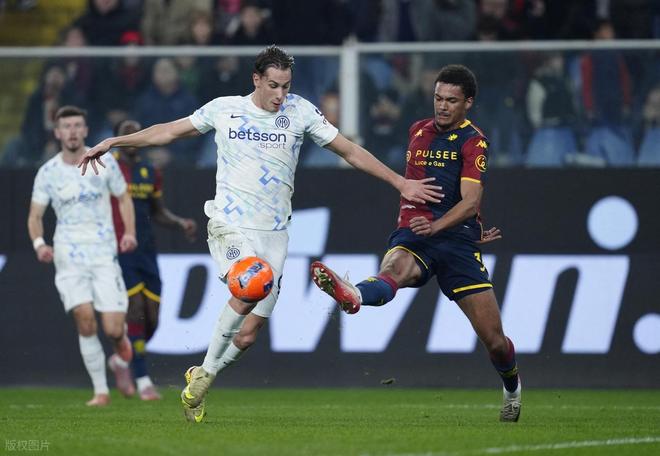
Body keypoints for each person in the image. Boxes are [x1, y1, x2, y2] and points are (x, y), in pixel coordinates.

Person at [78, 45, 443, 423]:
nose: (280, 95)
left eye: (286, 86)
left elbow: (349, 151)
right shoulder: (224, 109)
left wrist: (400, 182)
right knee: (252, 284)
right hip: (229, 225)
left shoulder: (301, 112)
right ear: (256, 79)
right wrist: (114, 142)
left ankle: (200, 379)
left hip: (275, 235)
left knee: (248, 334)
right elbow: (168, 132)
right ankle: (204, 373)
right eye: (273, 86)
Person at [309, 64, 522, 423]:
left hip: (455, 243)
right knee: (395, 268)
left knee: (495, 340)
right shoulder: (417, 130)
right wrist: (425, 224)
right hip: (416, 233)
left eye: (451, 100)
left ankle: (512, 390)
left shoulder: (474, 142)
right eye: (438, 98)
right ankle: (354, 294)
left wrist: (451, 226)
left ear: (468, 103)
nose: (442, 106)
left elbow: (470, 202)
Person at [27, 105, 137, 406]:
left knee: (113, 328)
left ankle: (119, 357)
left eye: (77, 125)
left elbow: (123, 198)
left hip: (104, 253)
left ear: (86, 130)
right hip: (68, 256)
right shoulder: (48, 172)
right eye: (67, 126)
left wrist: (129, 232)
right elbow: (35, 215)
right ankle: (100, 391)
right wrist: (39, 244)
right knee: (85, 320)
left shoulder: (105, 162)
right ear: (58, 132)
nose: (72, 131)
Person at [110, 119, 198, 400]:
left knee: (153, 318)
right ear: (117, 138)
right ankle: (143, 379)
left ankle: (123, 357)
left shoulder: (150, 171)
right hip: (120, 249)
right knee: (135, 308)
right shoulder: (108, 168)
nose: (131, 136)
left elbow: (157, 211)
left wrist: (179, 223)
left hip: (147, 250)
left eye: (135, 132)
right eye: (125, 133)